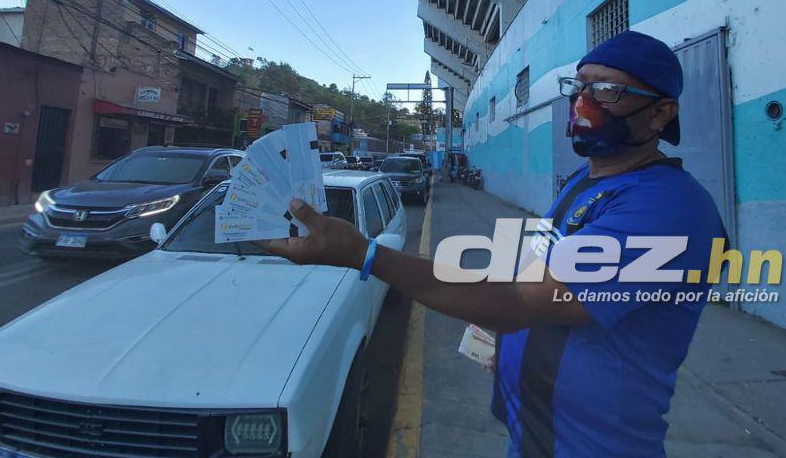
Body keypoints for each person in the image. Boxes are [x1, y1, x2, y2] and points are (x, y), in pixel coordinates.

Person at [262, 30, 724, 458]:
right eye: (579, 87)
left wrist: (363, 253)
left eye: (607, 90)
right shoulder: (586, 182)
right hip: (533, 435)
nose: (583, 102)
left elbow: (520, 299)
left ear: (662, 113)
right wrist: (506, 345)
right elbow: (535, 273)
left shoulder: (669, 208)